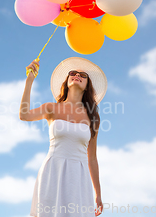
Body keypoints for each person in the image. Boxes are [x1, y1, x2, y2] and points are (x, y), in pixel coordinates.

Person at [20, 57, 107, 217]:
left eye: (83, 75)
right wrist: (29, 81)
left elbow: (92, 158)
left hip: (79, 176)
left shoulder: (92, 117)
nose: (77, 75)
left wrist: (98, 194)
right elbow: (24, 115)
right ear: (66, 80)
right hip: (53, 171)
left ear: (87, 85)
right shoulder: (51, 108)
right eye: (73, 73)